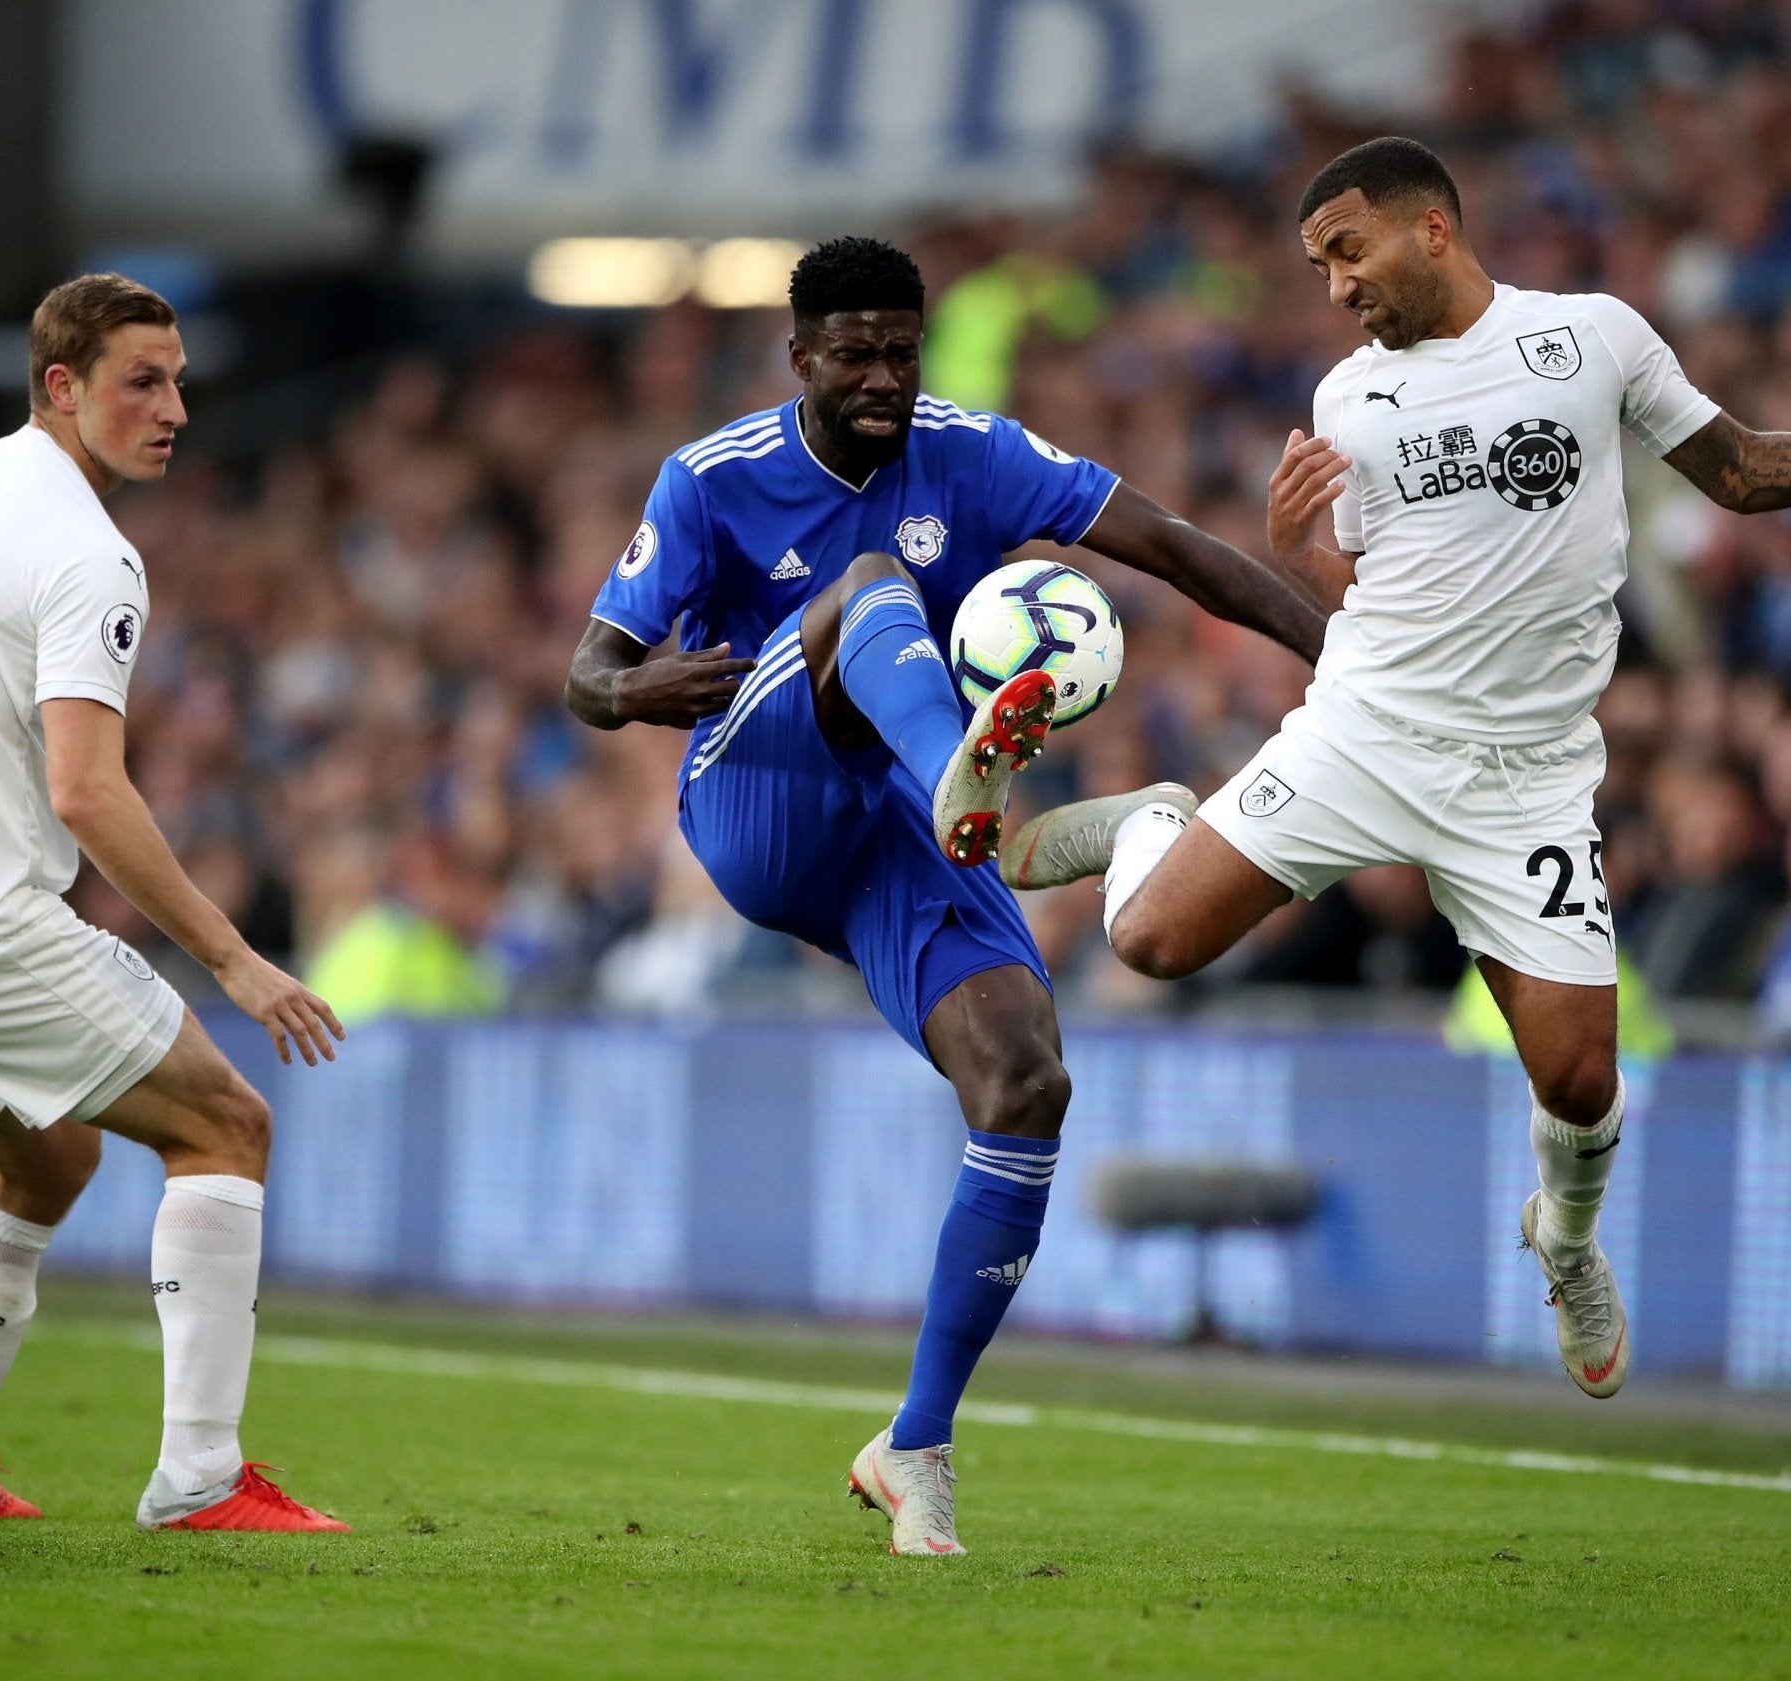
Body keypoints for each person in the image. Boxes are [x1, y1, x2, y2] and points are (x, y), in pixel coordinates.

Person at [1010, 136, 1791, 1400]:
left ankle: (1563, 1238)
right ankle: (1159, 822)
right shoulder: (1348, 401)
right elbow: (1361, 595)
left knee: (1582, 1077)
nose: (1336, 287)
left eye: (1349, 250)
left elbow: (1740, 473)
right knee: (1152, 944)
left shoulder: (1593, 336)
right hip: (1369, 733)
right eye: (1319, 265)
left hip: (1529, 776)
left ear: (1431, 228)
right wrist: (1290, 546)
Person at [564, 237, 1326, 1555]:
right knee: (870, 588)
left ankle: (914, 1445)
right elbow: (589, 671)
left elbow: (1172, 546)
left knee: (1026, 1084)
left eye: (899, 349)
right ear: (798, 357)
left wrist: (1341, 654)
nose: (880, 375)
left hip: (905, 838)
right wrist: (633, 692)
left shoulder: (975, 450)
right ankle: (977, 795)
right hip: (765, 794)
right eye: (851, 352)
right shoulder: (710, 479)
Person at [0, 274, 349, 1531]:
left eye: (178, 381)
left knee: (48, 1157)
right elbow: (86, 792)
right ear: (62, 387)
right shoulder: (89, 552)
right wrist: (236, 963)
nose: (173, 408)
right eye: (141, 382)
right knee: (226, 1123)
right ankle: (202, 1477)